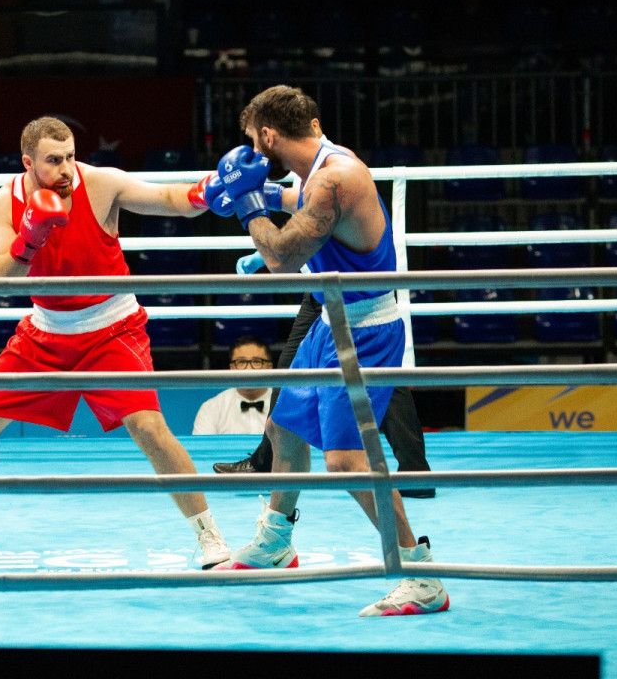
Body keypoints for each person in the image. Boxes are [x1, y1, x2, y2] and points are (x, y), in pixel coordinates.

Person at [0, 115, 230, 568]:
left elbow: (168, 198)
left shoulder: (100, 183)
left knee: (148, 428)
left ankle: (209, 534)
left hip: (112, 326)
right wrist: (29, 240)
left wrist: (212, 189)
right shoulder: (2, 204)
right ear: (28, 162)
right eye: (54, 160)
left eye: (70, 155)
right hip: (47, 330)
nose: (67, 168)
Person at [206, 85, 449, 616]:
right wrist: (270, 199)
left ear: (268, 135)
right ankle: (275, 542)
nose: (251, 152)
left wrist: (250, 208)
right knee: (285, 427)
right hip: (330, 320)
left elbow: (280, 260)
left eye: (253, 142)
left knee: (344, 461)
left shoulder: (336, 178)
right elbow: (300, 205)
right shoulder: (318, 169)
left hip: (364, 331)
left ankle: (420, 573)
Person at [213, 277, 436, 500]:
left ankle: (414, 472)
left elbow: (292, 256)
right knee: (295, 369)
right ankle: (415, 471)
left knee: (374, 377)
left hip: (350, 290)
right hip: (329, 287)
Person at [192, 336, 274, 436]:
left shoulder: (286, 406)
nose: (248, 369)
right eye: (241, 362)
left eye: (256, 362)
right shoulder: (211, 408)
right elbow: (203, 450)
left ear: (270, 367)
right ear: (232, 368)